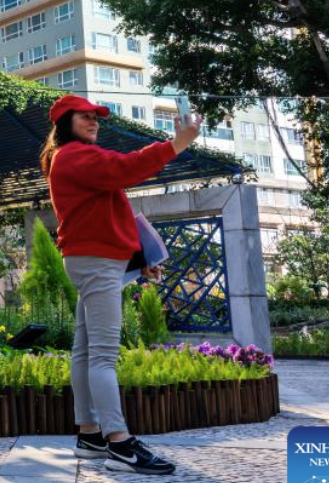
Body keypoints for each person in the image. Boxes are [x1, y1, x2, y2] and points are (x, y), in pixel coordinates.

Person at [40, 94, 201, 475]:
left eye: (96, 117)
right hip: (96, 264)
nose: (94, 122)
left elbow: (105, 217)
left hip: (92, 260)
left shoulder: (72, 159)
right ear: (65, 122)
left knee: (85, 351)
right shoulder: (76, 156)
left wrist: (138, 259)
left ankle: (90, 435)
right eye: (85, 117)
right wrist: (177, 143)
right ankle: (120, 443)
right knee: (102, 356)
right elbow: (127, 167)